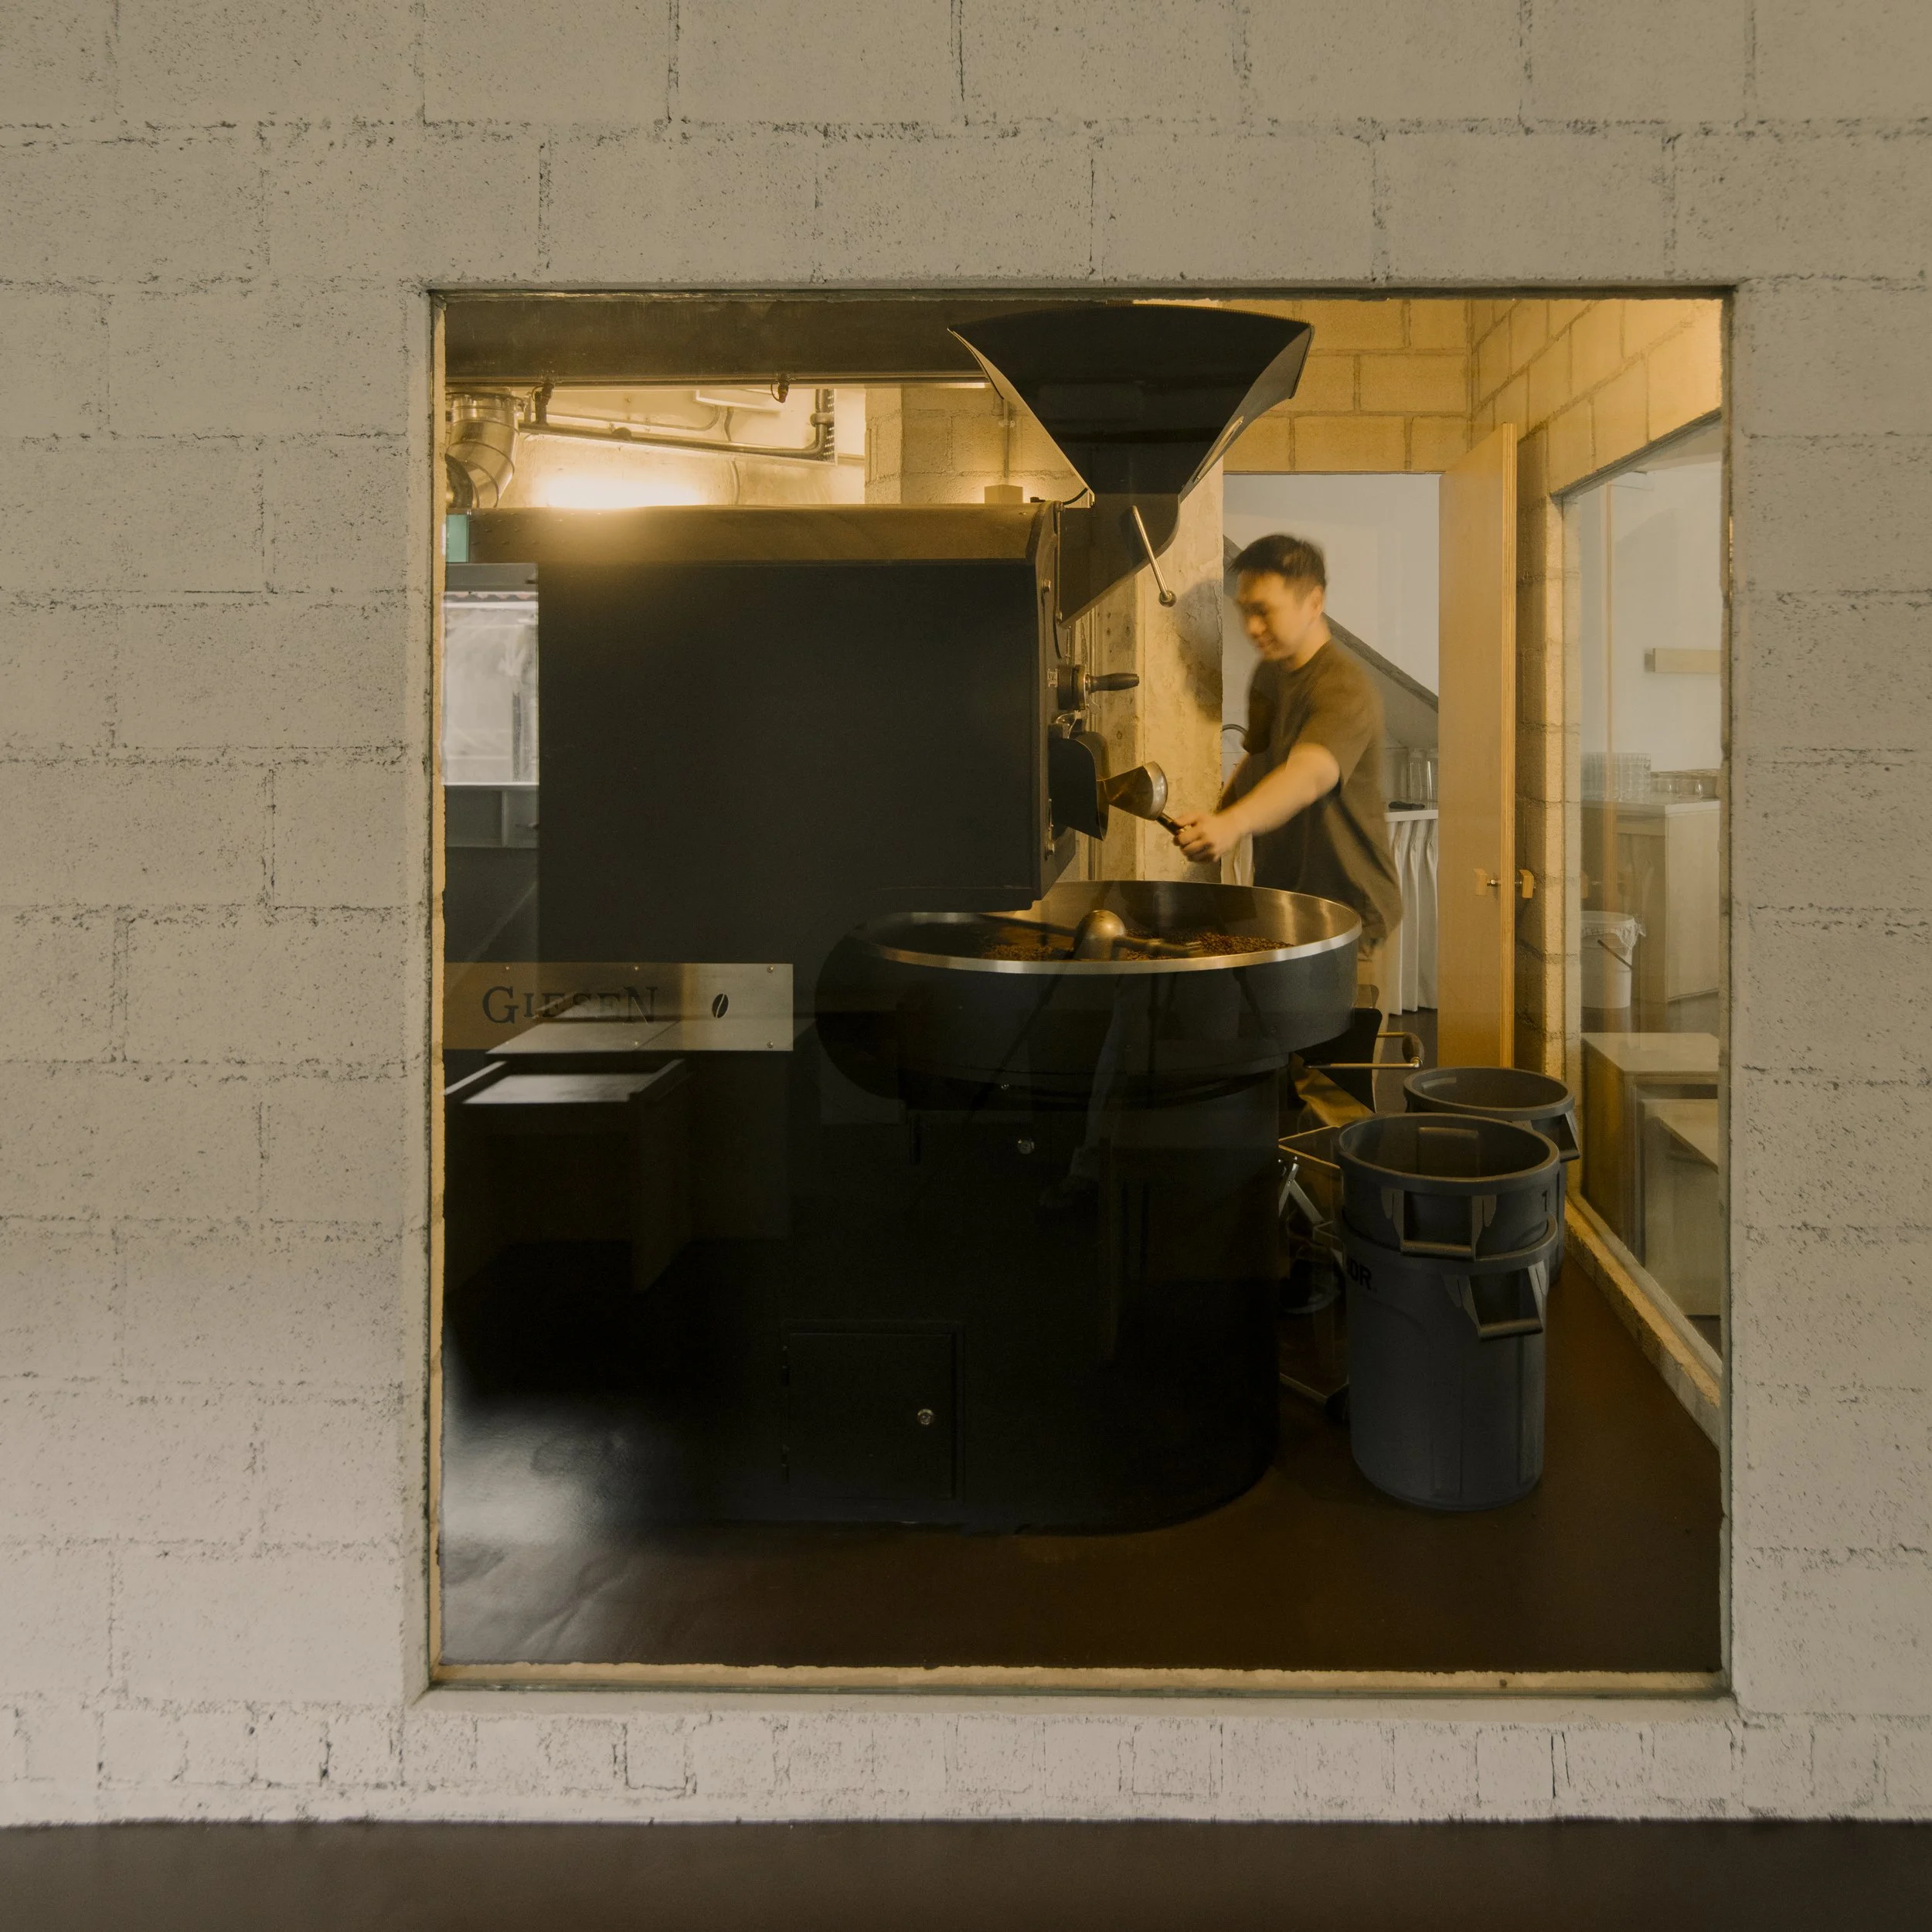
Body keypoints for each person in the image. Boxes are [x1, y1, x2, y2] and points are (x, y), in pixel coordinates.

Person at [1172, 532, 1403, 1059]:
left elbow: (1309, 773)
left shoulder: (1343, 686)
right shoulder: (1271, 676)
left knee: (1334, 1078)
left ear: (1314, 602)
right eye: (1244, 611)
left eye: (1264, 611)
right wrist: (1216, 819)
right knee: (1282, 1061)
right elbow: (1260, 758)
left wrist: (1232, 827)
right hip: (1286, 904)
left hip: (1349, 913)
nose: (1251, 627)